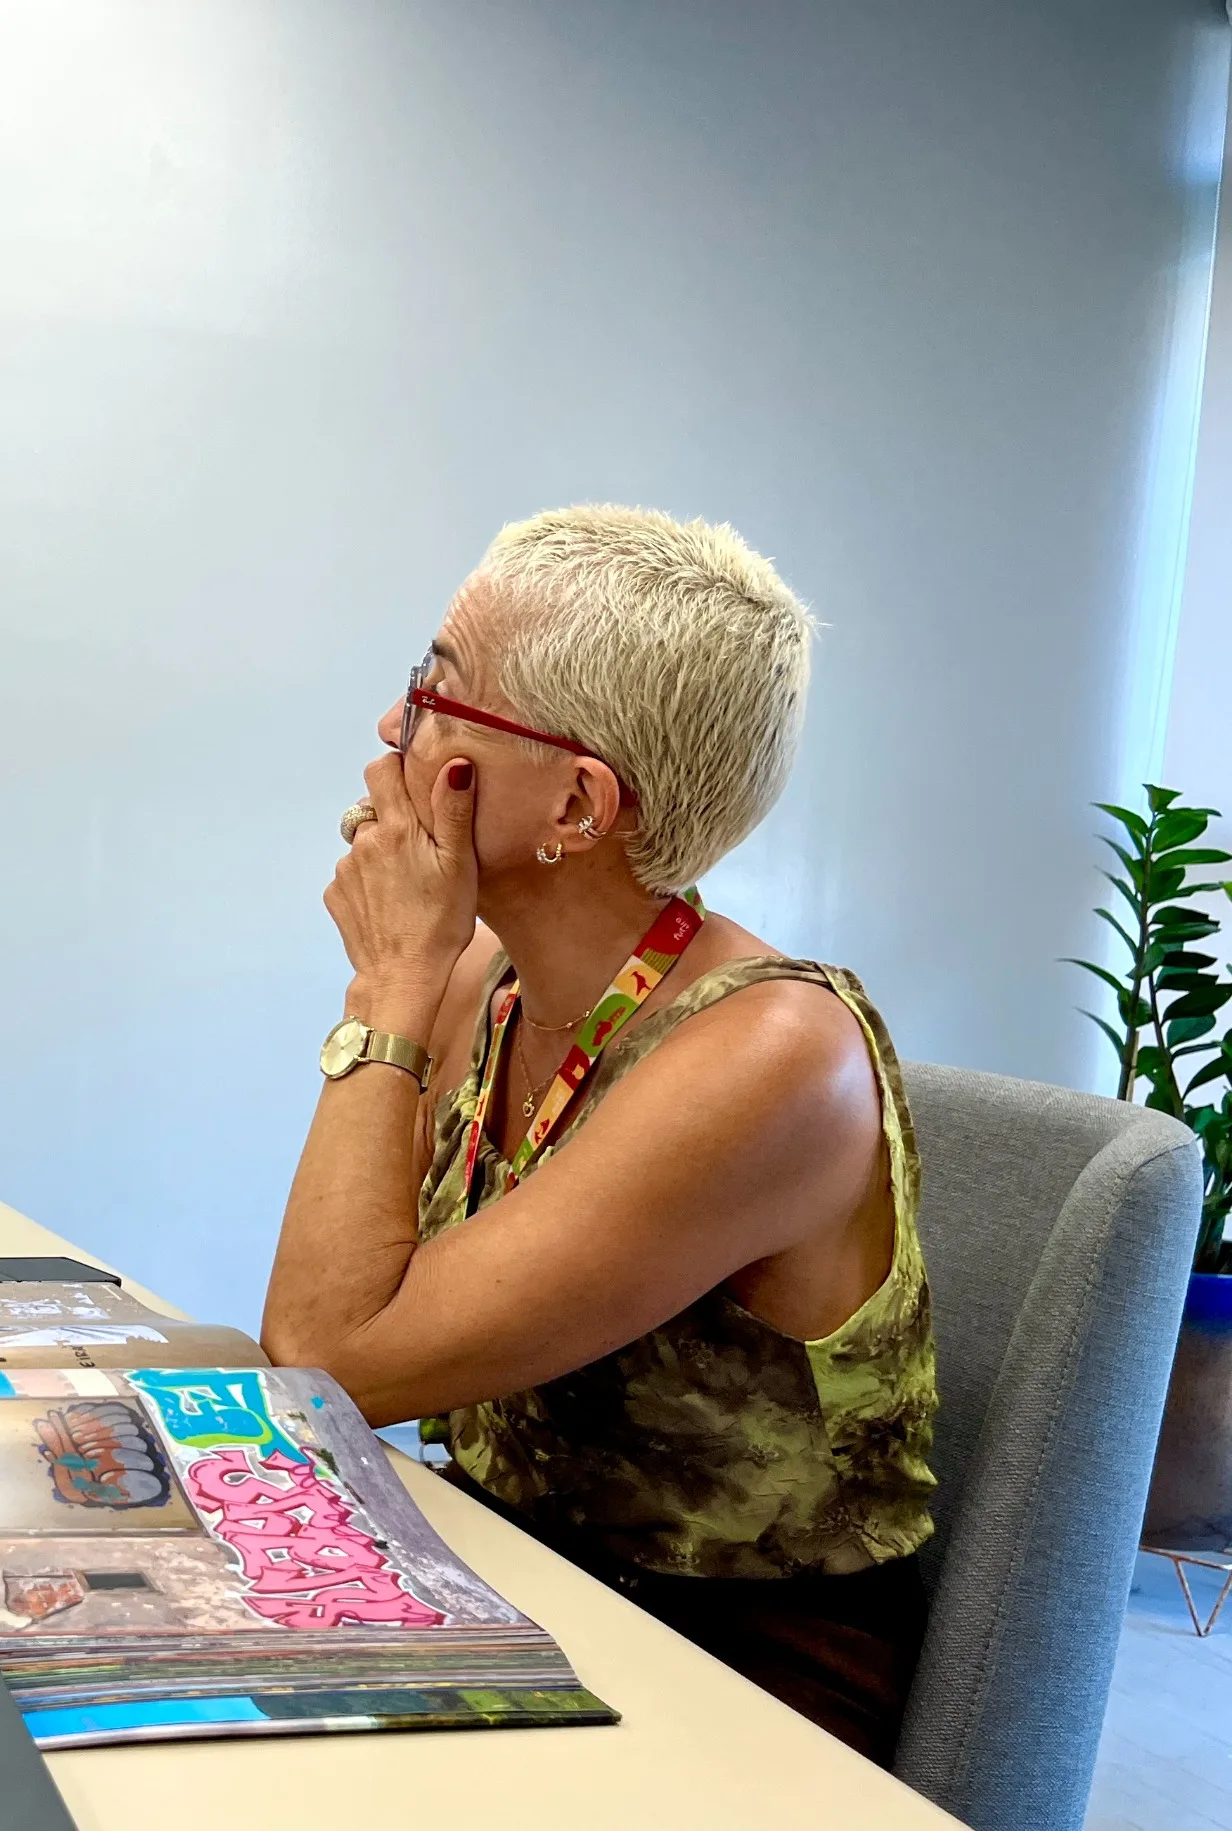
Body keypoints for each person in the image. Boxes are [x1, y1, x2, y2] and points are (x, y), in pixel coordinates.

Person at [261, 506, 933, 1762]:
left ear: (576, 803)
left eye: (434, 690)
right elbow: (334, 1337)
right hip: (509, 1571)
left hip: (728, 1674)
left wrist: (385, 985)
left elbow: (327, 1357)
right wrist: (421, 978)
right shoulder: (488, 983)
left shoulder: (771, 1054)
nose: (391, 727)